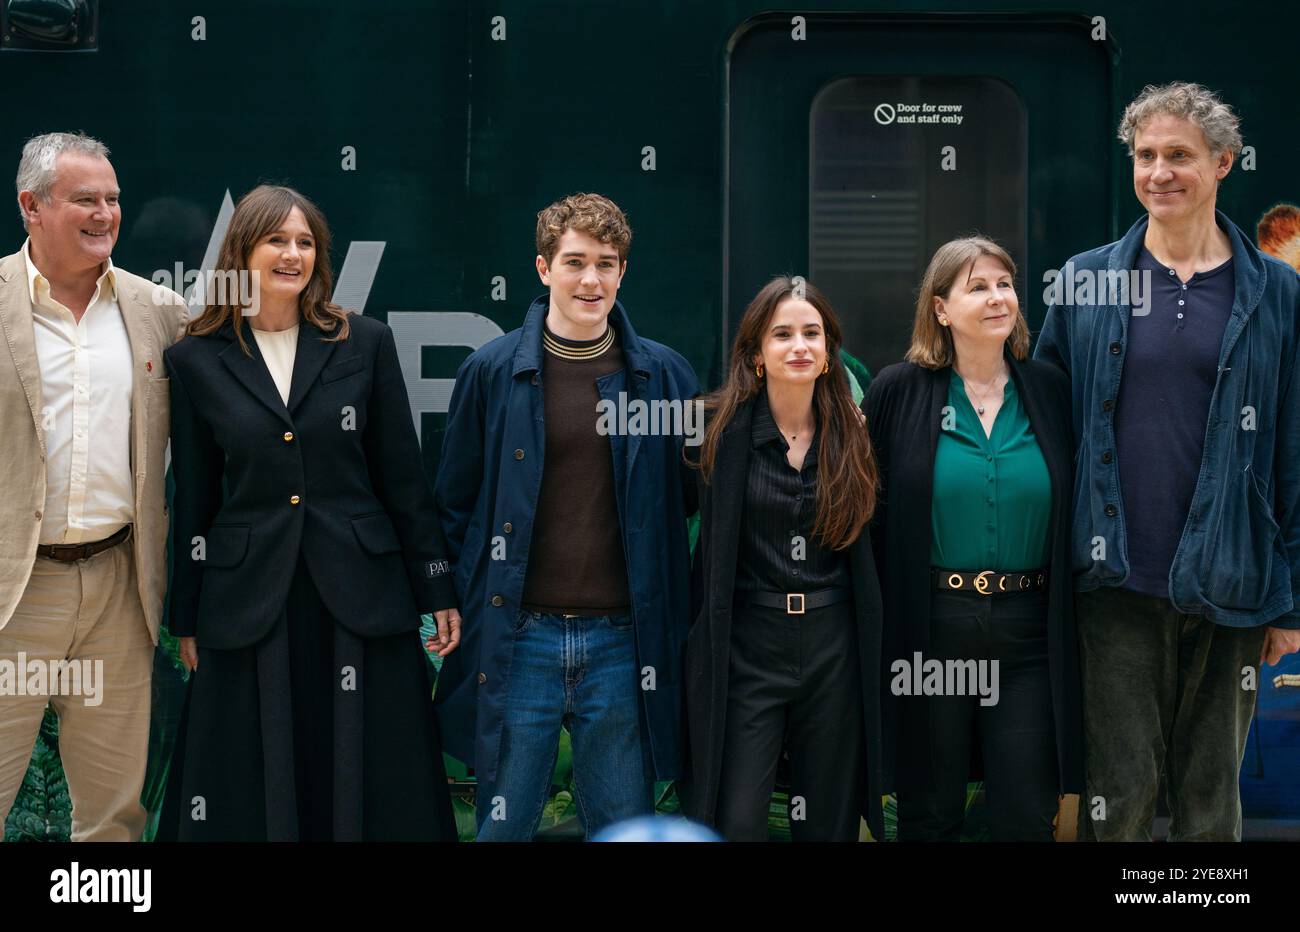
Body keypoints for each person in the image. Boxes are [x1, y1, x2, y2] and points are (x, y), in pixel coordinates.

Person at [1035, 81, 1300, 841]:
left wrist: (1291, 602)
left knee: (1212, 796)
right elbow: (1050, 425)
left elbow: (1292, 447)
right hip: (1113, 580)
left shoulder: (1277, 295)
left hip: (1234, 582)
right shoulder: (1087, 281)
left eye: (1179, 156)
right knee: (1117, 791)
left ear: (1223, 162)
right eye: (1145, 156)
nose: (1160, 173)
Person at [160, 185, 461, 841]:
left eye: (304, 242)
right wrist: (186, 614)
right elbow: (195, 498)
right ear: (242, 251)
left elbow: (402, 478)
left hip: (359, 591)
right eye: (277, 240)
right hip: (248, 597)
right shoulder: (193, 360)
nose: (292, 254)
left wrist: (437, 588)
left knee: (364, 767)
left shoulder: (366, 342)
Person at [434, 192, 699, 841]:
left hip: (622, 644)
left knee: (625, 828)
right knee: (504, 828)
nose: (591, 279)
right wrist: (445, 602)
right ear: (543, 268)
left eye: (606, 264)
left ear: (623, 273)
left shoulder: (665, 377)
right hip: (518, 638)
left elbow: (684, 502)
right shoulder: (492, 371)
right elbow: (452, 502)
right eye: (575, 262)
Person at [0, 133, 187, 841]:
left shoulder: (157, 312)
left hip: (118, 589)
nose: (106, 213)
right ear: (33, 206)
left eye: (112, 199)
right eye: (85, 199)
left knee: (114, 816)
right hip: (12, 594)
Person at [865, 238, 1082, 841]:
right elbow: (870, 517)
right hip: (932, 631)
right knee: (929, 813)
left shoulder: (1051, 389)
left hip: (1029, 633)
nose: (997, 297)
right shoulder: (897, 390)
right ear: (940, 309)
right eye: (977, 286)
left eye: (1005, 284)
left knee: (1024, 813)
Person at [683, 275, 886, 842]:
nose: (799, 345)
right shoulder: (712, 431)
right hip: (750, 642)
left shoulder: (856, 434)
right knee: (739, 818)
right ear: (755, 354)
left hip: (833, 643)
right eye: (782, 334)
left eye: (812, 333)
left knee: (828, 822)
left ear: (828, 353)